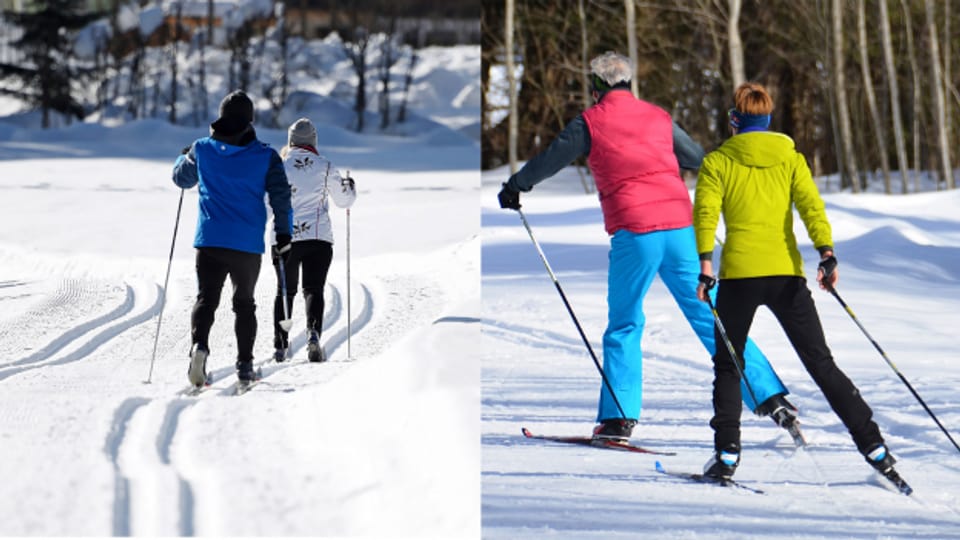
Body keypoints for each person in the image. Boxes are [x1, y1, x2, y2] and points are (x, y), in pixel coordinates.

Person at [497, 51, 798, 443]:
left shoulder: (589, 121)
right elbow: (696, 157)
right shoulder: (658, 117)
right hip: (680, 230)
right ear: (629, 84)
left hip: (635, 233)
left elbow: (550, 160)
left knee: (624, 323)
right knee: (713, 316)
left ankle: (619, 420)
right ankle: (770, 395)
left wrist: (516, 186)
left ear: (597, 88)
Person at [693, 81, 900, 481]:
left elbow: (705, 214)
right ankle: (874, 446)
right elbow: (811, 206)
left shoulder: (718, 162)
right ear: (768, 121)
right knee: (821, 363)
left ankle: (727, 456)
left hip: (740, 276)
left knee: (729, 366)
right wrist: (826, 252)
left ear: (734, 120)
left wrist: (705, 263)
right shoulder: (791, 158)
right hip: (786, 275)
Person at [173, 90, 292, 386]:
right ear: (249, 121)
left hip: (209, 239)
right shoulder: (266, 156)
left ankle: (199, 347)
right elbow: (281, 197)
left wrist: (184, 155)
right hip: (246, 243)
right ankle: (245, 366)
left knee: (206, 299)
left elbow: (181, 179)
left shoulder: (202, 149)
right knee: (244, 304)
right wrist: (284, 233)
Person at [269, 118, 356, 363]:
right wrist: (351, 188)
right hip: (318, 238)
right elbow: (344, 200)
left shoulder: (277, 166)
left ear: (291, 141)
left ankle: (280, 343)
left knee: (284, 291)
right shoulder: (325, 166)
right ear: (313, 141)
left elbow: (266, 205)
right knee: (313, 289)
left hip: (284, 238)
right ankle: (313, 334)